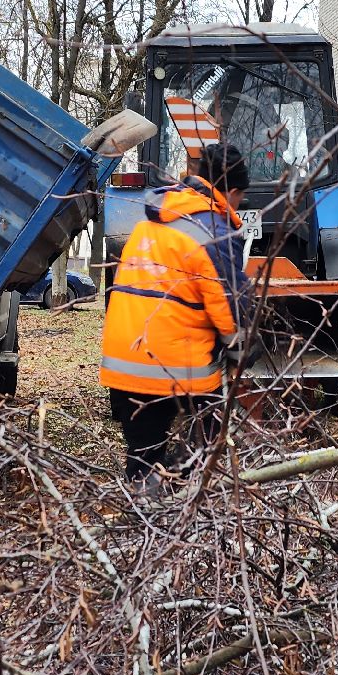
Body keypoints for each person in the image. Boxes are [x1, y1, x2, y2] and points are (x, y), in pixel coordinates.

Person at [100, 144, 252, 490]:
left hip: (123, 361)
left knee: (143, 455)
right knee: (208, 444)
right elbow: (230, 309)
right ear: (230, 191)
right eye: (240, 197)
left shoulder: (148, 224)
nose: (238, 205)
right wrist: (243, 352)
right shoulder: (214, 230)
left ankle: (143, 519)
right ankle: (190, 509)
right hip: (172, 365)